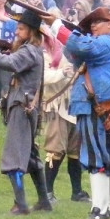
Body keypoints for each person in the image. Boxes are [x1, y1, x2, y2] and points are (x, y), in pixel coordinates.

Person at [44, 7, 110, 219]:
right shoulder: (109, 44)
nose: (93, 25)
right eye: (92, 22)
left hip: (97, 108)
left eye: (98, 21)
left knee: (96, 157)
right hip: (104, 107)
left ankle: (99, 209)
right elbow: (75, 55)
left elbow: (80, 46)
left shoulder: (106, 42)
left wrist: (57, 24)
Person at [0, 9, 49, 214]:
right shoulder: (30, 50)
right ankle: (44, 201)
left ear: (31, 32)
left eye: (21, 28)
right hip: (25, 105)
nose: (16, 32)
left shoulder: (29, 51)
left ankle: (21, 204)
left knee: (14, 156)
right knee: (30, 157)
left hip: (22, 107)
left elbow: (9, 63)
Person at [41, 32, 89, 203]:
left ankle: (77, 191)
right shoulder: (45, 54)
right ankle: (47, 192)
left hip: (76, 105)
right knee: (54, 150)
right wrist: (62, 72)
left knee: (75, 152)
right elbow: (43, 77)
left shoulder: (77, 54)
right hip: (56, 107)